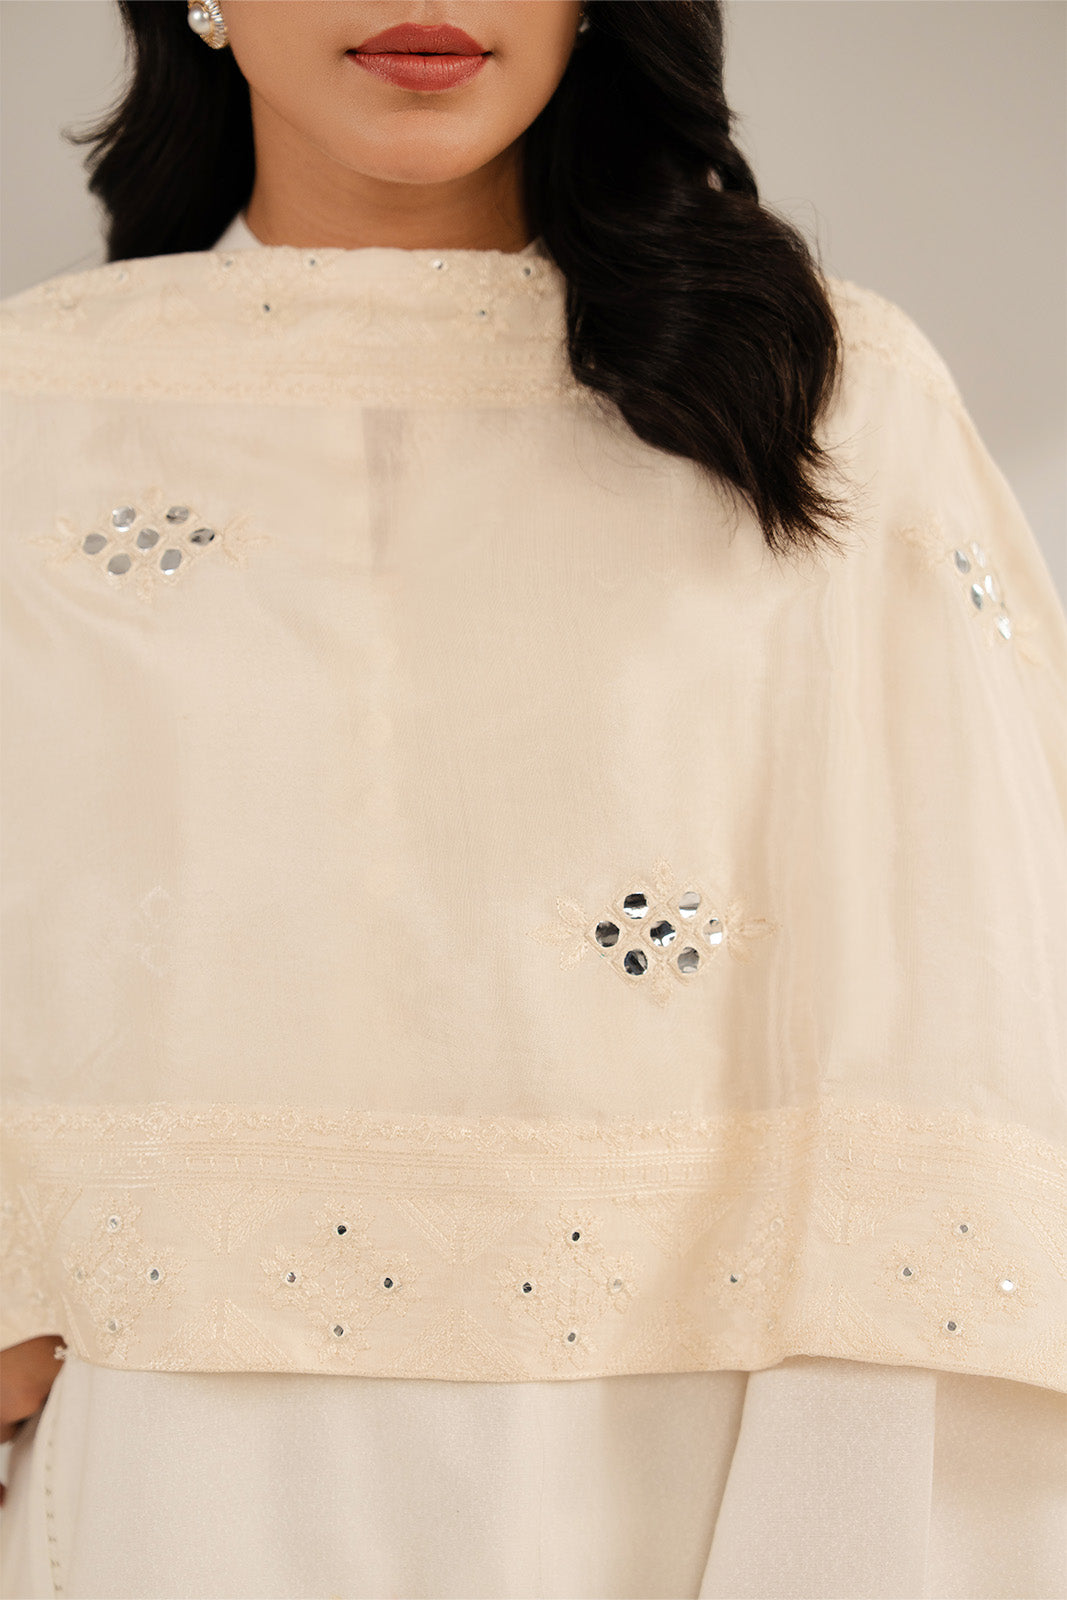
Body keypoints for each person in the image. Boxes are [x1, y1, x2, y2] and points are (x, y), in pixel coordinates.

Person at [1, 3, 1065, 1597]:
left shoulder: (828, 395)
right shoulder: (36, 412)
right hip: (168, 1447)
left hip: (698, 1441)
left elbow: (959, 1001)